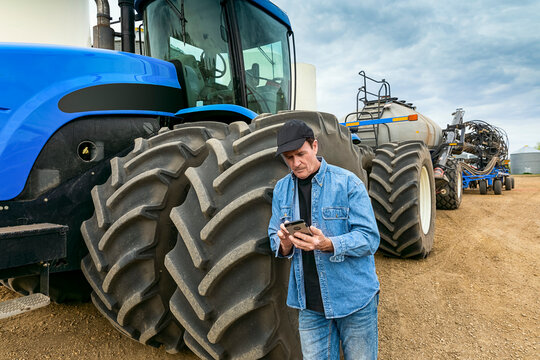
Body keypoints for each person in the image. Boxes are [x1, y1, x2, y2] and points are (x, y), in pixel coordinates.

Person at [267, 119, 380, 360]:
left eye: (300, 154)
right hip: (309, 304)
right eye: (288, 157)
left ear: (315, 146)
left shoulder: (348, 183)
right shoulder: (281, 189)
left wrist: (328, 244)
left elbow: (370, 238)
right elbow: (273, 238)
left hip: (354, 300)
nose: (296, 163)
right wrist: (285, 243)